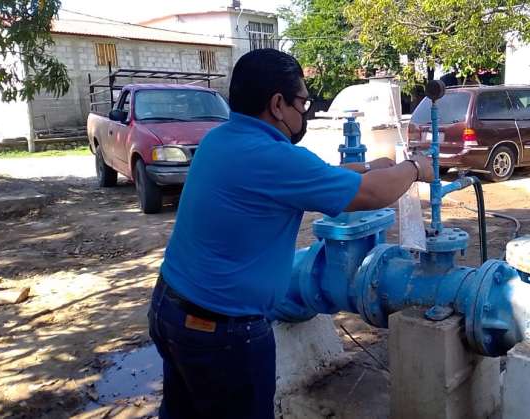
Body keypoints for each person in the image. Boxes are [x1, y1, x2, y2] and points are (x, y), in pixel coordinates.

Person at [147, 48, 434, 419]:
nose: (306, 112)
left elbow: (314, 177)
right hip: (223, 336)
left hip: (171, 310)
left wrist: (368, 166)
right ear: (278, 104)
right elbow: (372, 195)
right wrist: (414, 168)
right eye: (303, 102)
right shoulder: (274, 158)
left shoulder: (221, 140)